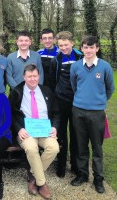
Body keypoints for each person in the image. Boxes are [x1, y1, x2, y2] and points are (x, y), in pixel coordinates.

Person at [70, 35, 115, 194]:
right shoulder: (75, 66)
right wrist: (83, 101)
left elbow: (110, 89)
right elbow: (74, 86)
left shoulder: (105, 67)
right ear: (81, 48)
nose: (88, 50)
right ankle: (83, 174)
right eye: (85, 47)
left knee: (97, 147)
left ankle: (98, 178)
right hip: (78, 111)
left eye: (92, 47)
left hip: (97, 113)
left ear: (97, 48)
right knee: (81, 146)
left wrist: (99, 102)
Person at [9, 64, 60, 199]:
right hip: (27, 132)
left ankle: (33, 176)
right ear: (24, 77)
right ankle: (41, 183)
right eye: (29, 76)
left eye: (35, 76)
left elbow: (56, 113)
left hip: (45, 130)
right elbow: (10, 114)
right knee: (31, 148)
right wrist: (19, 129)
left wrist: (54, 127)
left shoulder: (47, 91)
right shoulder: (17, 92)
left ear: (39, 76)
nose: (32, 79)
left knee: (54, 148)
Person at [49, 31, 83, 178]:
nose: (63, 48)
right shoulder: (56, 60)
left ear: (72, 43)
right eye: (60, 45)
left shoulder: (81, 57)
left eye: (66, 45)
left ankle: (75, 166)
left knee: (76, 135)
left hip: (77, 103)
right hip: (61, 102)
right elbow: (52, 81)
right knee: (61, 135)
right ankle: (61, 165)